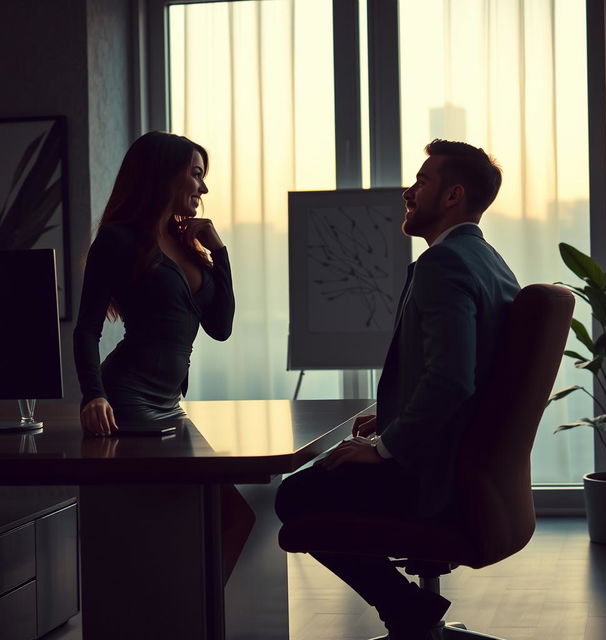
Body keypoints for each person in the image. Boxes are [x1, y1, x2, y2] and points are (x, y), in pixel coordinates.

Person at [275, 139, 521, 639]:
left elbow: (452, 379)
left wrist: (386, 446)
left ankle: (406, 609)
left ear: (452, 196)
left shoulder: (443, 264)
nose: (409, 191)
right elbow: (464, 372)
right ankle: (409, 610)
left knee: (294, 496)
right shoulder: (490, 262)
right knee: (323, 475)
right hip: (473, 471)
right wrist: (391, 419)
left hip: (433, 480)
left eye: (422, 181)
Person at [73, 131, 253, 583]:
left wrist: (221, 253)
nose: (203, 188)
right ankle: (183, 619)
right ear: (164, 175)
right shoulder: (117, 241)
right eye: (196, 175)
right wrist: (93, 396)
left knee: (233, 519)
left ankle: (193, 618)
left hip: (171, 405)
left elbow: (221, 327)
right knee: (201, 521)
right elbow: (87, 329)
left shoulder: (188, 242)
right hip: (128, 402)